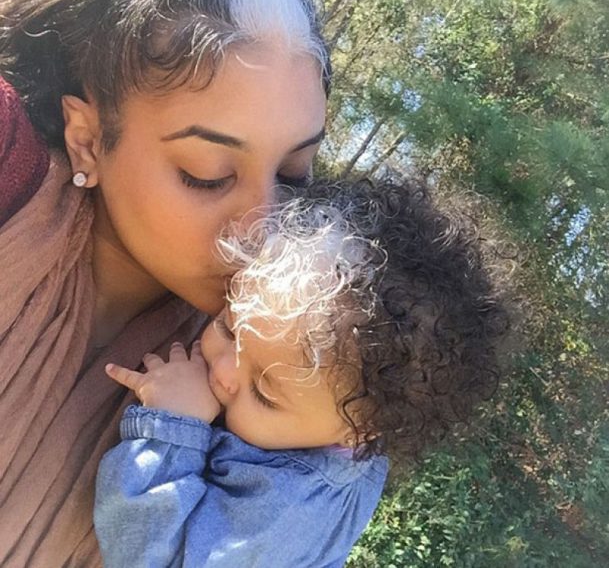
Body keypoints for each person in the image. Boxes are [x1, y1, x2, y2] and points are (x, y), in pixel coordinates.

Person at [0, 0, 329, 565]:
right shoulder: (11, 176)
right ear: (88, 136)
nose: (264, 230)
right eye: (206, 173)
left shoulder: (275, 376)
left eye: (293, 177)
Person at [94, 179, 511, 567]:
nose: (223, 372)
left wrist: (172, 429)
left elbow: (149, 558)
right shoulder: (327, 413)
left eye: (263, 393)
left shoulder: (289, 508)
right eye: (228, 327)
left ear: (359, 431)